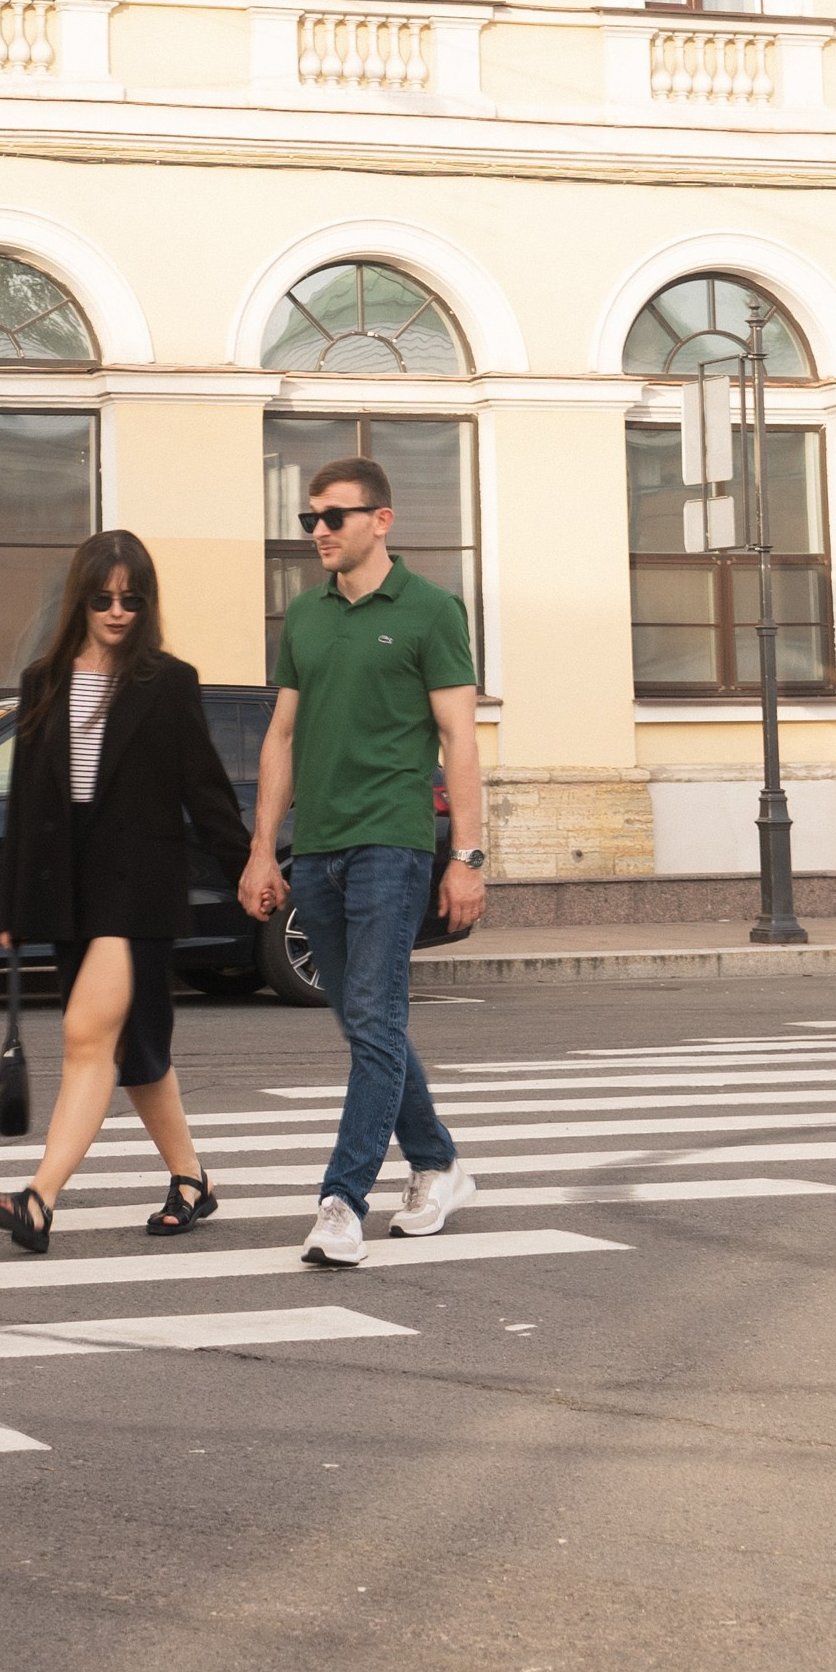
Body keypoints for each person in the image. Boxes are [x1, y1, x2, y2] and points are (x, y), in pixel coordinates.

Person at [239, 455, 487, 1267]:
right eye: (311, 518)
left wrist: (468, 857)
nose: (318, 532)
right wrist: (262, 851)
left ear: (381, 520)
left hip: (393, 842)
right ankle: (439, 1164)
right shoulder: (304, 617)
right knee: (363, 1022)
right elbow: (280, 738)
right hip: (318, 848)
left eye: (334, 517)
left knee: (375, 1020)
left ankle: (341, 1202)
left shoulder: (430, 611)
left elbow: (459, 741)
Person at [0, 529, 251, 1254]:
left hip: (137, 889)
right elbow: (29, 802)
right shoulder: (46, 681)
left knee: (86, 1039)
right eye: (103, 598)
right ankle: (192, 1181)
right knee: (138, 1052)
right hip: (70, 890)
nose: (118, 611)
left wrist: (248, 869)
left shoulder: (169, 682)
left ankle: (39, 1198)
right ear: (81, 600)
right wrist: (13, 907)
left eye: (132, 599)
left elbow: (206, 790)